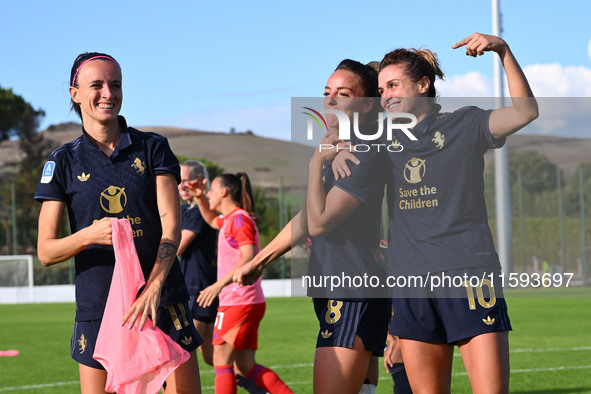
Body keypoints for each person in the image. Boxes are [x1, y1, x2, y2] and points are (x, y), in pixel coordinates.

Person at [343, 32, 538, 393]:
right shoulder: (382, 141)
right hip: (411, 283)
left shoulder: (465, 124)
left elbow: (526, 112)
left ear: (423, 84)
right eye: (382, 88)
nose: (385, 94)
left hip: (468, 275)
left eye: (394, 85)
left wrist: (504, 51)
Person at [35, 52, 202, 393]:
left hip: (162, 301)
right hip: (99, 310)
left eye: (115, 84)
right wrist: (88, 235)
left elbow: (171, 228)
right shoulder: (62, 161)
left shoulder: (153, 148)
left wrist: (153, 287)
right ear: (75, 93)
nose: (108, 93)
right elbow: (46, 251)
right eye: (96, 85)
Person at [234, 59, 394, 394]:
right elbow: (307, 218)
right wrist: (260, 261)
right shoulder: (340, 149)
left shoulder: (362, 153)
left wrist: (314, 163)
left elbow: (318, 223)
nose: (331, 100)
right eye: (327, 92)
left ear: (367, 103)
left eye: (343, 93)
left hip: (350, 288)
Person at [188, 172, 293, 393]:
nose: (210, 194)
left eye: (212, 190)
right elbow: (210, 219)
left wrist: (218, 285)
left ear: (224, 192)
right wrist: (199, 197)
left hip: (239, 301)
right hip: (246, 301)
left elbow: (249, 257)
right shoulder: (230, 219)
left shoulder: (238, 219)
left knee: (221, 361)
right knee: (245, 365)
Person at [178, 160, 218, 366]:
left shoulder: (199, 212)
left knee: (184, 352)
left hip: (200, 288)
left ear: (200, 182)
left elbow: (176, 248)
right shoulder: (186, 210)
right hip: (193, 286)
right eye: (179, 180)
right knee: (213, 358)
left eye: (187, 180)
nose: (182, 185)